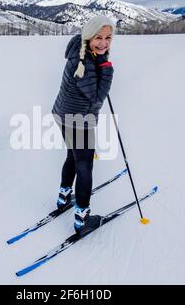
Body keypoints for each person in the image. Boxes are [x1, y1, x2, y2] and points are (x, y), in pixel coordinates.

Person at [52, 15, 115, 235]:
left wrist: (100, 61)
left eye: (108, 38)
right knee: (85, 164)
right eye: (98, 37)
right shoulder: (84, 62)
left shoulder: (81, 51)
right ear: (88, 37)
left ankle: (63, 197)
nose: (103, 43)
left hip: (62, 114)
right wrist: (105, 67)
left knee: (73, 156)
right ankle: (82, 219)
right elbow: (97, 96)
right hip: (78, 121)